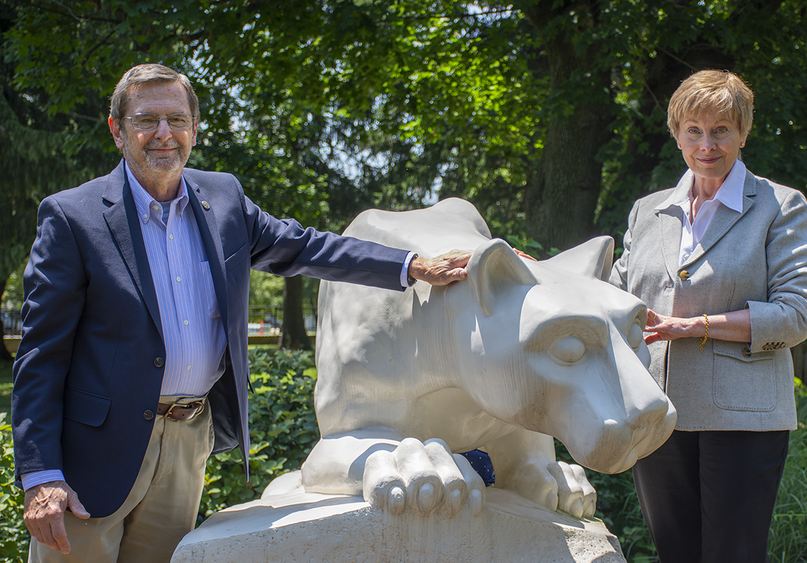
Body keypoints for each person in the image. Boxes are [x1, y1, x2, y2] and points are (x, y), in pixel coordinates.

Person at [12, 63, 472, 563]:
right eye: (147, 120)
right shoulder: (73, 216)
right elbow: (41, 355)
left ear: (194, 128)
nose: (164, 134)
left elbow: (307, 247)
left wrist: (414, 264)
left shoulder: (224, 199)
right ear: (117, 130)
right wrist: (41, 476)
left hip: (189, 439)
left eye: (177, 119)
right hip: (94, 452)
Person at [609, 69, 807, 563]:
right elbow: (614, 294)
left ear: (743, 133)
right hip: (658, 412)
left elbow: (798, 313)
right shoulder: (647, 211)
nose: (707, 144)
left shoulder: (779, 205)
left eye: (721, 130)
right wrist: (544, 276)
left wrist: (699, 327)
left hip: (743, 420)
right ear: (676, 133)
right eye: (694, 131)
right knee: (674, 554)